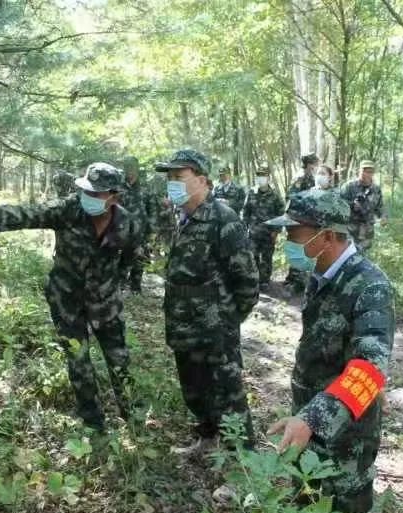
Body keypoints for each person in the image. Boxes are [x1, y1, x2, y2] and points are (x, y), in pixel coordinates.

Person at [0, 163, 139, 431]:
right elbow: (30, 213)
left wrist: (114, 284)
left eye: (97, 194)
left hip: (106, 304)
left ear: (114, 196)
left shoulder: (127, 222)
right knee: (78, 362)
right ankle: (94, 425)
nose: (88, 198)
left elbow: (130, 257)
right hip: (67, 300)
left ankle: (132, 418)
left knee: (119, 361)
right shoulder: (69, 209)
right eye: (86, 192)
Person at [264, 189, 394, 513]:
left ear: (329, 236)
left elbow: (370, 369)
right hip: (310, 425)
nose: (287, 241)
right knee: (309, 508)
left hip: (346, 436)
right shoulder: (322, 275)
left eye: (295, 233)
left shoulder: (369, 285)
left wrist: (312, 418)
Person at [156, 149, 259, 453]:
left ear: (201, 180)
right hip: (184, 329)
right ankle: (207, 439)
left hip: (215, 332)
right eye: (169, 178)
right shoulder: (183, 217)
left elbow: (247, 282)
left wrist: (225, 320)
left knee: (228, 397)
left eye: (179, 176)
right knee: (195, 390)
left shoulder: (222, 219)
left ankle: (243, 466)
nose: (172, 182)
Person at [242, 165, 285, 290]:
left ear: (268, 178)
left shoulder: (275, 196)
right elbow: (246, 212)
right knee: (252, 257)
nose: (261, 178)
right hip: (253, 232)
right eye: (259, 176)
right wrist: (245, 227)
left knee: (266, 258)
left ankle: (265, 281)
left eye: (264, 176)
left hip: (268, 233)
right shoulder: (251, 193)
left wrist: (276, 231)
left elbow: (281, 214)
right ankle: (254, 280)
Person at [118, 156, 156, 293]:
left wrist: (152, 231)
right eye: (127, 167)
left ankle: (135, 287)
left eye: (132, 167)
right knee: (121, 259)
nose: (129, 171)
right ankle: (119, 286)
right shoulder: (118, 185)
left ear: (137, 169)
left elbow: (152, 209)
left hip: (141, 230)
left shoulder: (145, 186)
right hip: (121, 230)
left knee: (140, 259)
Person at [284, 153, 319, 293]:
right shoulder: (301, 177)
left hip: (306, 221)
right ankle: (295, 282)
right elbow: (291, 196)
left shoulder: (310, 177)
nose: (316, 166)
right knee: (298, 249)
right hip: (297, 220)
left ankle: (296, 280)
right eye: (315, 163)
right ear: (309, 164)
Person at [339, 160, 385, 251]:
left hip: (367, 233)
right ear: (359, 171)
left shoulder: (376, 189)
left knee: (364, 257)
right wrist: (352, 205)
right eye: (364, 171)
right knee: (348, 257)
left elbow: (380, 206)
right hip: (350, 231)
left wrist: (384, 216)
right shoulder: (349, 186)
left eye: (370, 172)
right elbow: (339, 204)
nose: (366, 174)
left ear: (373, 173)